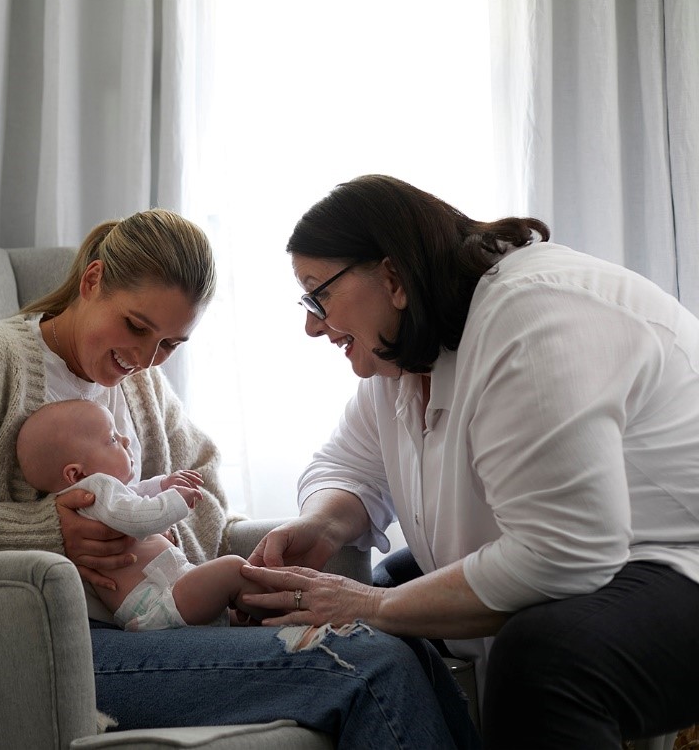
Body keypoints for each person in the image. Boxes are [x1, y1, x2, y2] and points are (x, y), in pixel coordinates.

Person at [0, 208, 478, 747]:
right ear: (93, 280)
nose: (142, 358)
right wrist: (47, 528)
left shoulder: (141, 387)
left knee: (395, 643)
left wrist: (200, 578)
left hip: (167, 622)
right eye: (136, 326)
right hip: (61, 646)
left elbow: (203, 480)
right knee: (366, 667)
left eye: (168, 345)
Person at [239, 174, 699, 749]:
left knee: (543, 659)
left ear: (393, 277)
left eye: (318, 294)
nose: (310, 324)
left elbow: (565, 553)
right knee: (384, 601)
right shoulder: (403, 361)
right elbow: (348, 467)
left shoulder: (530, 319)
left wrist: (376, 605)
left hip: (673, 560)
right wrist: (321, 524)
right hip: (600, 560)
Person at [16, 398, 273, 630]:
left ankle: (260, 614)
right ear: (76, 474)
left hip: (160, 595)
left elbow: (133, 495)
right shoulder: (95, 489)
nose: (125, 440)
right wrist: (173, 500)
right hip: (156, 599)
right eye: (113, 439)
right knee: (234, 569)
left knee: (231, 600)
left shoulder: (96, 500)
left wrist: (162, 484)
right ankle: (287, 612)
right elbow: (137, 518)